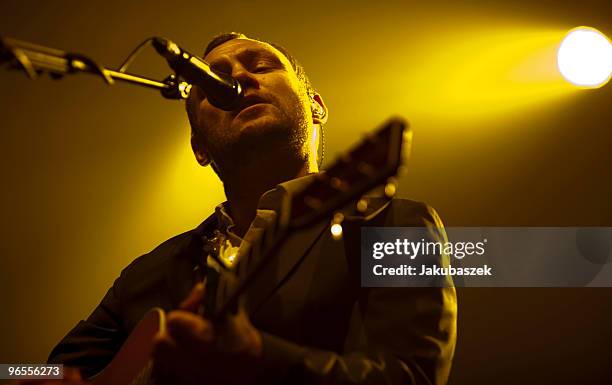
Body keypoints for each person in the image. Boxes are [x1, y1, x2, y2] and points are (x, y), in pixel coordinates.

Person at [47, 32, 457, 385]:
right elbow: (28, 369)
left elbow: (410, 377)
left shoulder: (395, 226)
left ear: (315, 105)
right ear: (199, 147)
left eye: (261, 65)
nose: (239, 78)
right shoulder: (145, 274)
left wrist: (260, 357)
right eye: (216, 80)